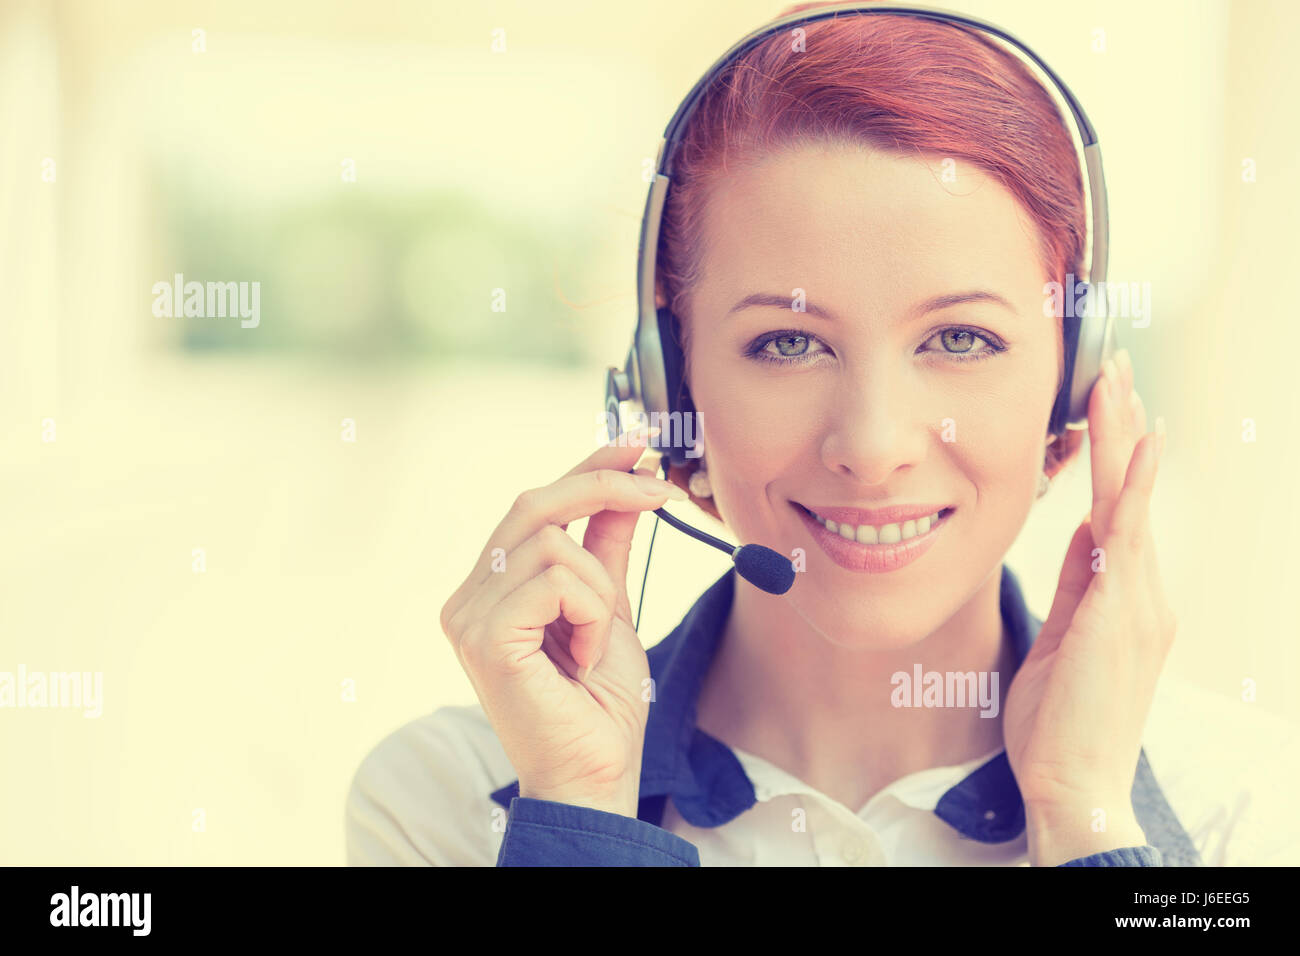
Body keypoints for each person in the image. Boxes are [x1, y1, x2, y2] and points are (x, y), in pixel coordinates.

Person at [346, 2, 1201, 866]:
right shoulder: (448, 800)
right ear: (670, 381)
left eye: (959, 339)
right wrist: (582, 816)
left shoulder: (1247, 801)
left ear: (1075, 380)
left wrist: (1087, 816)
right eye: (789, 343)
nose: (871, 447)